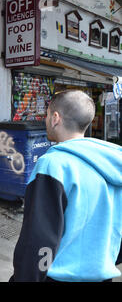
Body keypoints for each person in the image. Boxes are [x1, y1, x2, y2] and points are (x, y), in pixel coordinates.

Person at [9, 90, 122, 282]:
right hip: (102, 275)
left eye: (46, 115)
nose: (45, 121)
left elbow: (38, 239)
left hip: (60, 277)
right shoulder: (114, 163)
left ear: (55, 118)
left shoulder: (53, 165)